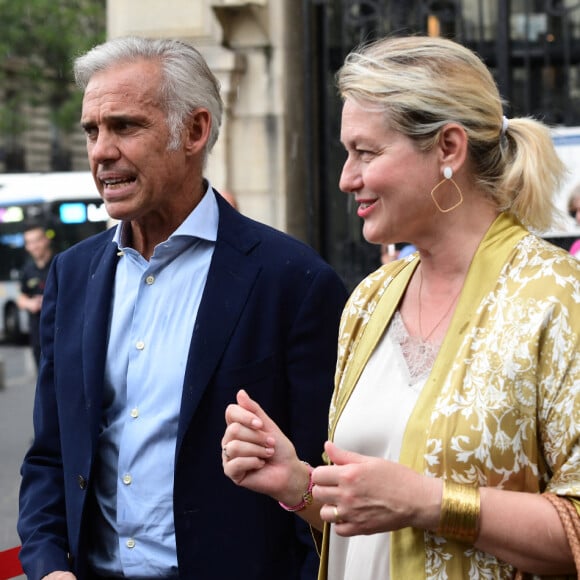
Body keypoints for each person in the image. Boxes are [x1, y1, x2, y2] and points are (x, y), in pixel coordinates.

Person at [222, 35, 580, 579]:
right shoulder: (370, 299)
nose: (347, 178)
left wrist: (432, 501)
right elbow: (370, 520)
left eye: (365, 152)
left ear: (448, 149)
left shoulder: (556, 296)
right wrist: (297, 483)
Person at [17, 37, 348, 580]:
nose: (101, 150)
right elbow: (52, 457)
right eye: (91, 130)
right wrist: (49, 565)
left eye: (125, 126)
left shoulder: (294, 281)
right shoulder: (72, 275)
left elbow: (321, 482)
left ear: (194, 132)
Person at [16, 223, 54, 368]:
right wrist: (30, 304)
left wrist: (49, 301)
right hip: (37, 333)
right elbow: (21, 298)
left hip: (60, 331)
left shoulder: (61, 263)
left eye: (37, 240)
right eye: (30, 242)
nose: (35, 246)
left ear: (46, 239)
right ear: (26, 246)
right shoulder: (27, 270)